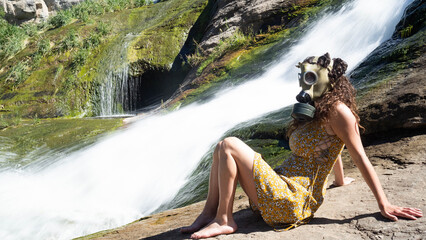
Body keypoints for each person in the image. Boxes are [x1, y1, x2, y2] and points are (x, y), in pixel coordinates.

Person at [180, 53, 422, 239]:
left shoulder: (340, 112)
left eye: (311, 77)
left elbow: (358, 156)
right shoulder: (317, 109)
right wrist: (338, 180)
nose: (305, 83)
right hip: (277, 190)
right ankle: (209, 213)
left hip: (293, 201)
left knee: (229, 144)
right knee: (220, 148)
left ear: (327, 79)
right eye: (303, 77)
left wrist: (384, 204)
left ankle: (225, 219)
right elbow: (331, 147)